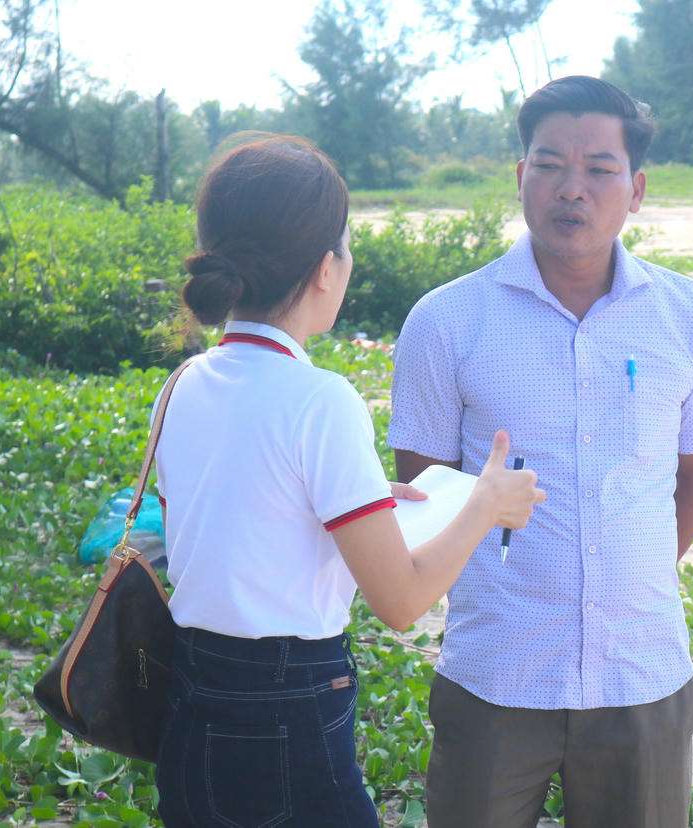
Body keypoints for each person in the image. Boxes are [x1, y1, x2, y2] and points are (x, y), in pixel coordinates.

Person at [389, 76, 693, 827]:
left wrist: (628, 567)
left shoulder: (691, 318)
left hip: (641, 672)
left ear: (637, 188)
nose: (572, 189)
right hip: (496, 673)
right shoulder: (447, 321)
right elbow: (423, 493)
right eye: (550, 165)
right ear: (521, 178)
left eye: (599, 169)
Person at [153, 133, 544, 827]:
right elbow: (401, 601)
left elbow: (227, 519)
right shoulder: (319, 398)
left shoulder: (185, 382)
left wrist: (346, 504)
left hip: (191, 701)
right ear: (325, 269)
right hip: (285, 706)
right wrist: (483, 505)